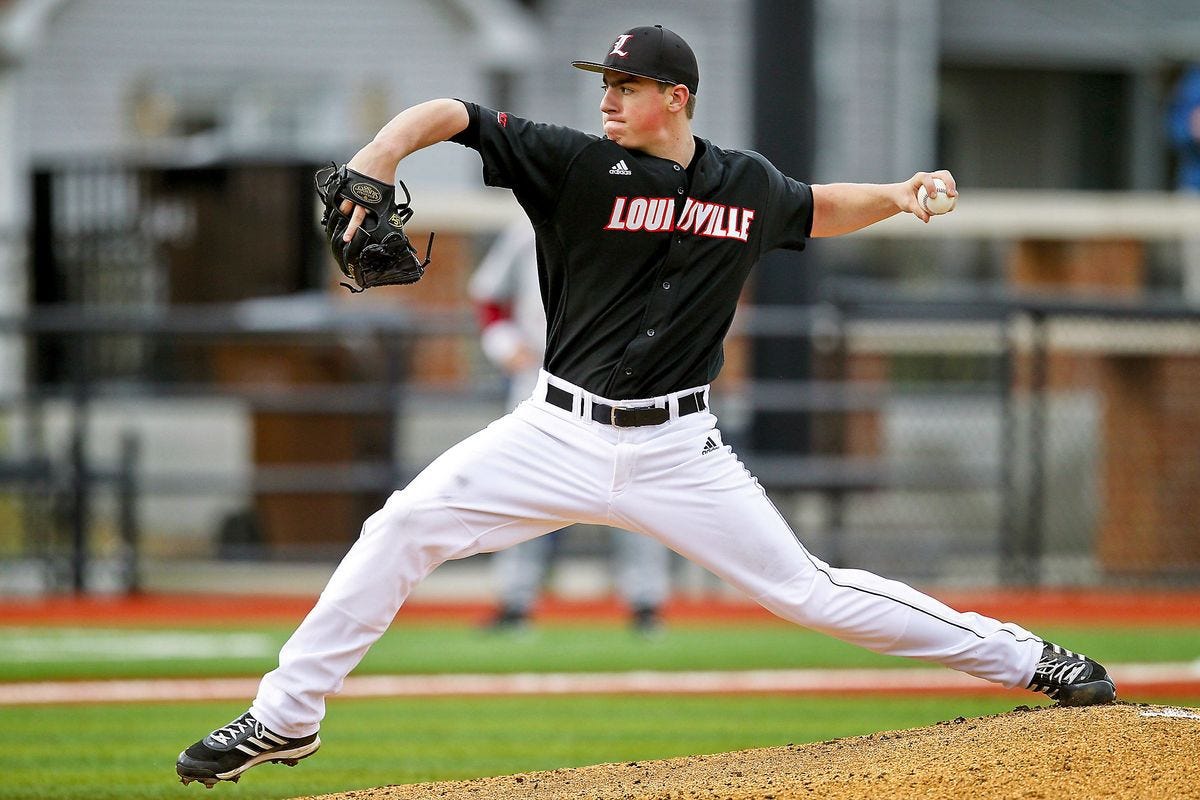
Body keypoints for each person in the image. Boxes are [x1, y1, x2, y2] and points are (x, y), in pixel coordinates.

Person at [176, 24, 1116, 788]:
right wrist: (382, 149)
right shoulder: (574, 165)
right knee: (400, 528)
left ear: (678, 98)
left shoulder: (743, 185)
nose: (607, 98)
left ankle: (1031, 660)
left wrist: (900, 195)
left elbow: (818, 206)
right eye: (604, 83)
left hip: (679, 451)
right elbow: (456, 114)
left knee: (809, 591)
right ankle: (284, 719)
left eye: (626, 85)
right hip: (552, 431)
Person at [469, 219, 671, 633]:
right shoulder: (531, 222)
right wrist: (505, 345)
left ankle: (646, 602)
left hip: (622, 383)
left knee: (635, 489)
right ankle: (514, 600)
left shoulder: (645, 218)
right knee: (526, 492)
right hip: (543, 382)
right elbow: (488, 297)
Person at [1166, 64, 1200, 299]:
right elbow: (1175, 130)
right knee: (1196, 279)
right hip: (1195, 190)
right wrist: (1192, 128)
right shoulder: (1194, 80)